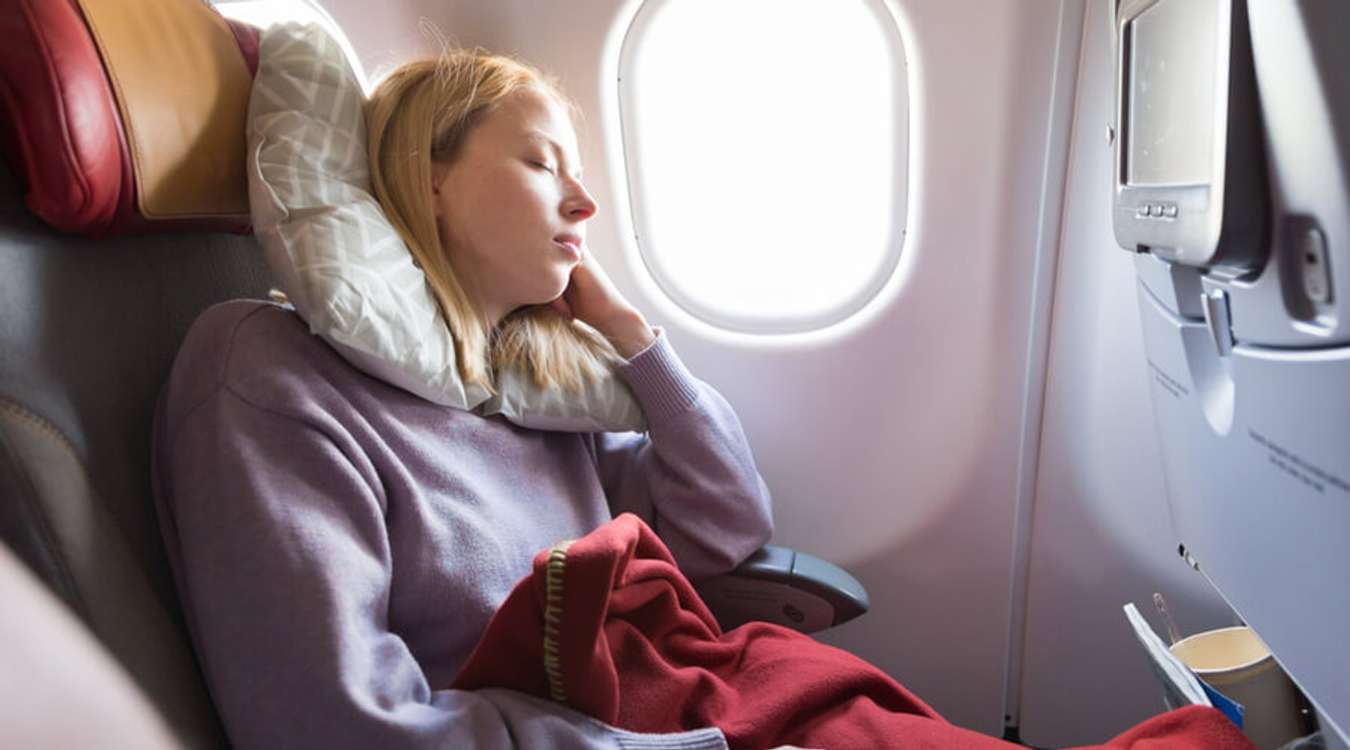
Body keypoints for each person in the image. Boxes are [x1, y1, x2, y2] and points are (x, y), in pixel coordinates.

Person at [151, 46, 774, 749]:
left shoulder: (539, 394)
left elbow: (725, 528)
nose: (584, 202)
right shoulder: (270, 376)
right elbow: (342, 724)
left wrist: (631, 338)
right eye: (540, 164)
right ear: (430, 177)